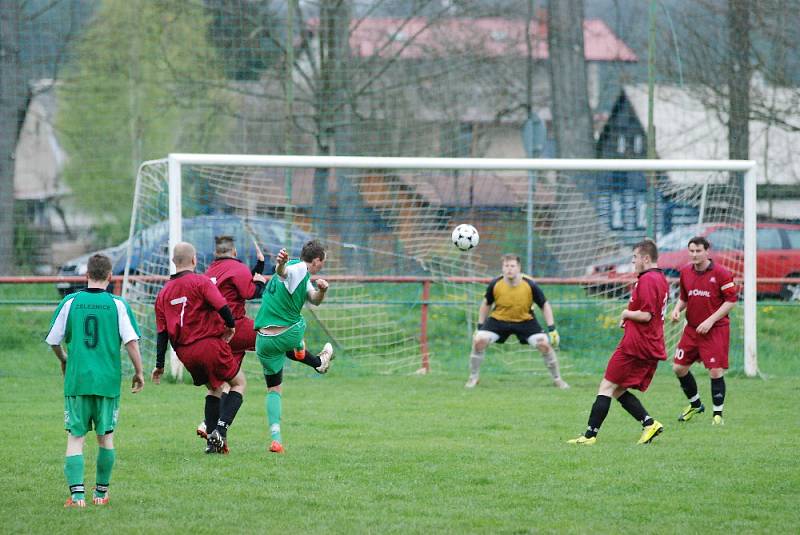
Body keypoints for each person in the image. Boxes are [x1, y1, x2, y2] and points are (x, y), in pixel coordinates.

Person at [45, 254, 145, 507]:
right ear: (110, 276)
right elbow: (132, 342)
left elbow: (54, 340)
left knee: (76, 438)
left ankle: (77, 497)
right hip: (107, 382)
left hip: (77, 381)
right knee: (105, 438)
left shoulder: (70, 302)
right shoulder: (117, 304)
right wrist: (139, 371)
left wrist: (64, 359)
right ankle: (100, 495)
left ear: (86, 275)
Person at [568, 239, 668, 446]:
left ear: (646, 258)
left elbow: (647, 315)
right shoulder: (659, 278)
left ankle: (589, 436)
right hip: (646, 342)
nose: (633, 262)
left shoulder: (648, 279)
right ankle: (649, 424)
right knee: (617, 389)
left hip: (637, 344)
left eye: (635, 258)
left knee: (606, 386)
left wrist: (626, 312)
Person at [151, 242, 245, 454]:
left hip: (185, 353)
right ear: (194, 260)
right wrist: (231, 326)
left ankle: (212, 444)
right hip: (208, 344)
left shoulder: (163, 294)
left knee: (214, 388)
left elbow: (162, 333)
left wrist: (159, 365)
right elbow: (222, 305)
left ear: (174, 262)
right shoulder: (200, 282)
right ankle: (220, 431)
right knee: (239, 383)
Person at [254, 240, 335, 454]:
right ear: (317, 260)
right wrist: (280, 264)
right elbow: (283, 272)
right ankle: (302, 349)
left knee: (274, 390)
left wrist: (323, 291)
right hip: (287, 334)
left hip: (263, 340)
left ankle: (276, 439)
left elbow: (314, 300)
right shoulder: (299, 268)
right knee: (299, 322)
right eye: (323, 261)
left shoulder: (303, 276)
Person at [465, 254, 568, 389]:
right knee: (479, 341)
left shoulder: (529, 284)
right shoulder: (496, 284)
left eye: (512, 266)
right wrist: (479, 326)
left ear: (519, 267)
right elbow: (486, 304)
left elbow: (544, 305)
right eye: (506, 266)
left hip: (525, 321)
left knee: (544, 344)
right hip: (499, 320)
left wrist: (552, 328)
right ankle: (473, 378)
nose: (509, 269)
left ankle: (557, 379)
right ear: (502, 268)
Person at [669, 236, 738, 425]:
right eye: (691, 251)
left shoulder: (722, 273)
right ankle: (695, 404)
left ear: (707, 251)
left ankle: (717, 415)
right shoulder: (685, 272)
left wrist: (710, 320)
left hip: (715, 329)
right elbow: (684, 297)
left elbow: (731, 300)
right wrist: (676, 310)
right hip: (692, 329)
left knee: (715, 371)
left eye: (698, 251)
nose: (694, 254)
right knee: (679, 368)